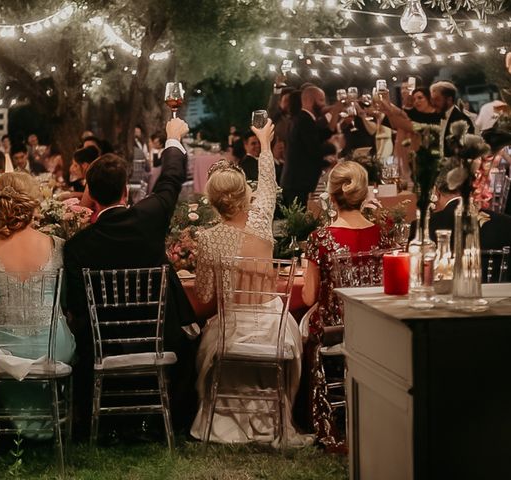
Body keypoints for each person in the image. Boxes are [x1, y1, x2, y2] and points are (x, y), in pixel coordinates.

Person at [63, 118, 199, 438]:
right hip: (157, 337)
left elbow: (75, 306)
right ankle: (171, 419)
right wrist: (173, 138)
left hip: (102, 347)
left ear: (91, 196)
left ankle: (100, 420)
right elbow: (171, 178)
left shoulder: (77, 246)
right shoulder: (149, 217)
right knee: (193, 336)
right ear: (126, 190)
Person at [190, 119, 311, 446]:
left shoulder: (208, 239)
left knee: (204, 339)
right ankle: (272, 417)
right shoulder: (261, 222)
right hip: (273, 329)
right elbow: (270, 184)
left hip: (232, 331)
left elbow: (202, 295)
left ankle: (222, 421)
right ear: (247, 193)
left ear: (212, 201)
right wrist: (266, 144)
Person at [0, 172, 76, 438]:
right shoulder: (57, 246)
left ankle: (11, 427)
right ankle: (56, 421)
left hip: (2, 355)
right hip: (52, 352)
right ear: (33, 204)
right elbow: (64, 302)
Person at [301, 161, 392, 450]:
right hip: (376, 326)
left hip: (335, 330)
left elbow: (307, 297)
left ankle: (327, 418)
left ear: (330, 195)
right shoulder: (382, 235)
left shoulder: (320, 239)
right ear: (364, 194)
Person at [410, 175, 511, 281]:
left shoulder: (421, 226)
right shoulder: (508, 224)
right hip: (499, 295)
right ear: (471, 189)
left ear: (437, 192)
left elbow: (415, 277)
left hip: (443, 296)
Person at [281, 86, 334, 206]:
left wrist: (334, 114)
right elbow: (314, 149)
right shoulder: (304, 120)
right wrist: (330, 158)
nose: (324, 104)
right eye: (321, 100)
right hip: (297, 183)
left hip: (296, 183)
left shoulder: (304, 119)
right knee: (299, 222)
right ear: (310, 101)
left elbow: (319, 136)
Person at [430, 81, 475, 154]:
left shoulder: (461, 120)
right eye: (432, 100)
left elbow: (464, 150)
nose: (433, 103)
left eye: (437, 99)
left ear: (449, 100)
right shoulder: (435, 117)